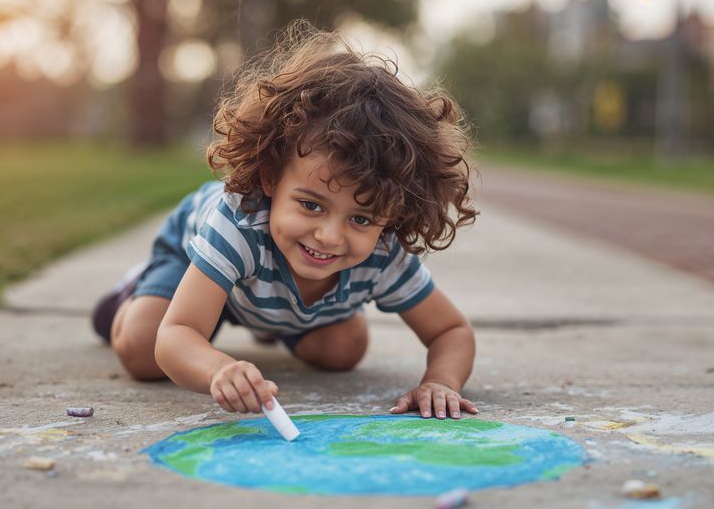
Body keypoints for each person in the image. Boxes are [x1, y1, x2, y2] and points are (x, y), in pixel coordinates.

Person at [92, 22, 478, 420]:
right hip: (193, 256)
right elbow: (176, 337)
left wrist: (441, 380)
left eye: (361, 218)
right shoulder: (239, 223)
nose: (329, 236)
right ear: (270, 177)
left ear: (394, 213)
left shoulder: (384, 252)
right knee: (143, 347)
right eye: (312, 206)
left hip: (262, 287)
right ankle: (132, 291)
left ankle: (268, 318)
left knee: (343, 350)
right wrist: (218, 369)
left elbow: (451, 331)